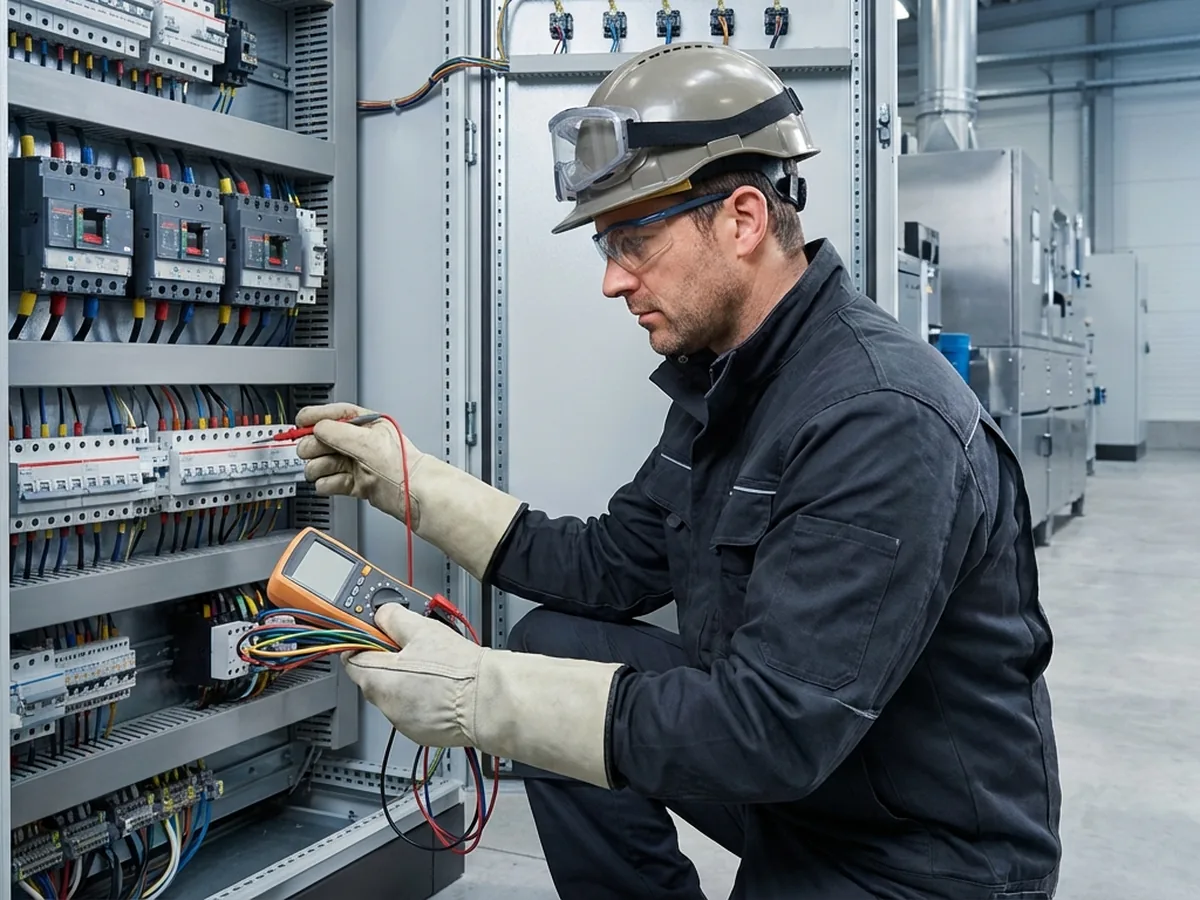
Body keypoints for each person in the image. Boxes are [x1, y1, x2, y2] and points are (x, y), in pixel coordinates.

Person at [294, 42, 1062, 900]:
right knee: (555, 641)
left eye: (636, 241)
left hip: (916, 853)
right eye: (605, 247)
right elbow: (606, 566)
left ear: (740, 220)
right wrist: (408, 482)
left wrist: (479, 696)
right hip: (810, 785)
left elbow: (772, 729)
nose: (613, 281)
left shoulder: (879, 417)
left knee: (543, 691)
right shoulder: (734, 379)